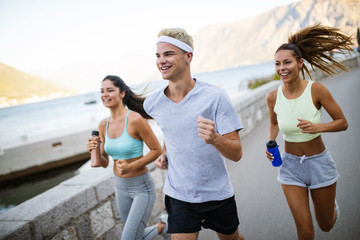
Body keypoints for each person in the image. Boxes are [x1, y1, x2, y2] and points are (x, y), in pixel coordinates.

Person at [144, 28, 245, 240]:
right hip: (179, 195)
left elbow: (236, 153)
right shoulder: (153, 103)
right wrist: (165, 153)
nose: (161, 61)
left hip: (217, 193)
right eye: (158, 55)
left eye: (168, 54)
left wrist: (215, 139)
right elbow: (171, 133)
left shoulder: (215, 96)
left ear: (188, 56)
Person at [265, 24, 354, 240]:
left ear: (300, 63)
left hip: (319, 163)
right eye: (277, 64)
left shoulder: (316, 90)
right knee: (305, 232)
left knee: (326, 225)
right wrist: (270, 143)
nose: (282, 68)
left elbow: (343, 122)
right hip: (289, 166)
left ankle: (330, 208)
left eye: (287, 62)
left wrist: (318, 127)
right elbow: (274, 123)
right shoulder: (272, 97)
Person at [86, 75, 170, 240]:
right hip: (121, 188)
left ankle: (163, 226)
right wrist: (93, 150)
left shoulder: (134, 119)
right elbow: (104, 162)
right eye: (102, 91)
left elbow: (156, 149)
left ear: (122, 93)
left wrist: (132, 166)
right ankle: (165, 227)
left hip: (141, 188)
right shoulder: (103, 125)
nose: (105, 94)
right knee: (134, 237)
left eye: (110, 90)